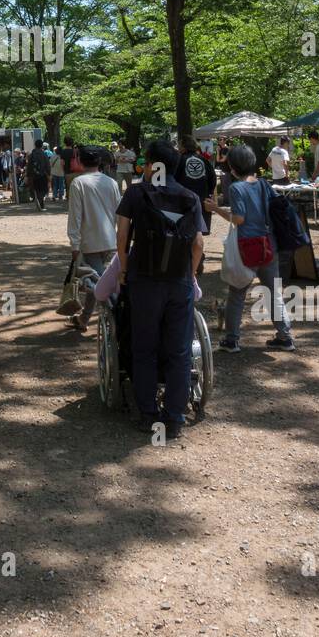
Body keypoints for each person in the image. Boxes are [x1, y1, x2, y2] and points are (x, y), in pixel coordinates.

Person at [116, 140, 204, 439]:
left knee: (145, 348)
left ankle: (148, 413)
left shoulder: (136, 193)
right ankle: (175, 417)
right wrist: (189, 276)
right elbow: (198, 245)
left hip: (144, 279)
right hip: (178, 282)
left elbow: (122, 236)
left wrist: (125, 270)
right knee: (179, 351)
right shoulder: (190, 197)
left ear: (152, 164)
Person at [205, 143, 297, 352]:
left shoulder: (236, 188)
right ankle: (285, 336)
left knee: (237, 293)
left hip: (248, 247)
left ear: (232, 166)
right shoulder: (263, 183)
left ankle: (232, 339)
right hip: (269, 243)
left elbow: (238, 219)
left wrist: (215, 208)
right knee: (273, 292)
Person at [66, 145, 122, 333]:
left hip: (90, 243)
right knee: (99, 282)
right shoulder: (111, 182)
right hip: (111, 241)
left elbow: (75, 216)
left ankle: (117, 321)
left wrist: (74, 244)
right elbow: (119, 213)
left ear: (80, 161)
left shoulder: (78, 183)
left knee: (98, 285)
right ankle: (84, 319)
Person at [28, 138, 51, 211]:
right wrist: (49, 174)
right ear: (41, 146)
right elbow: (47, 165)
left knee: (36, 189)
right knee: (43, 190)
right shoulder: (44, 154)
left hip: (34, 175)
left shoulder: (31, 154)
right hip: (42, 175)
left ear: (35, 145)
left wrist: (28, 175)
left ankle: (38, 201)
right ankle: (41, 203)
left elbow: (29, 165)